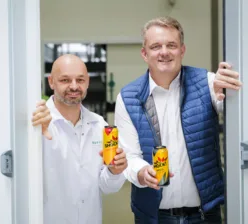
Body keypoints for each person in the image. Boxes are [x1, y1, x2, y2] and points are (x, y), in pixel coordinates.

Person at [115, 16, 242, 223]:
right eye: (156, 46)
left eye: (171, 45)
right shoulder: (128, 97)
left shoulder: (208, 83)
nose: (164, 52)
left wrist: (231, 96)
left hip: (204, 215)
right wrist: (141, 172)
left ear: (182, 50)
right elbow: (129, 155)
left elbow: (234, 115)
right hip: (153, 217)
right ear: (144, 54)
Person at [32, 54, 128, 224]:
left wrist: (115, 171)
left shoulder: (99, 125)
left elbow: (107, 187)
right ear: (51, 82)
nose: (74, 86)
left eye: (80, 80)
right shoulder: (37, 121)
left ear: (88, 82)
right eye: (65, 80)